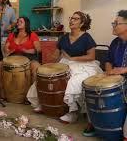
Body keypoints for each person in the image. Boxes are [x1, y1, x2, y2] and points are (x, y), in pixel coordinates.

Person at [27, 11, 102, 123]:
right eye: (71, 18)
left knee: (73, 82)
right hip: (65, 63)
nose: (71, 20)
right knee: (45, 77)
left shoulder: (87, 37)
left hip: (84, 65)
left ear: (82, 23)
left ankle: (73, 112)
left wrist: (73, 59)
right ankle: (45, 104)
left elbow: (91, 56)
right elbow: (56, 55)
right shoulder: (63, 37)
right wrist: (48, 66)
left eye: (75, 19)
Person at [82, 10, 127, 139]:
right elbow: (108, 61)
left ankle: (125, 134)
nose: (113, 25)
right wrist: (108, 72)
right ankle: (94, 123)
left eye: (116, 23)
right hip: (114, 77)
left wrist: (123, 70)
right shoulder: (115, 42)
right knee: (90, 88)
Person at [0, 17, 41, 99]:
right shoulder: (12, 35)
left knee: (36, 67)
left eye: (21, 21)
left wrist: (26, 50)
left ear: (26, 24)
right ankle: (2, 89)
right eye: (17, 21)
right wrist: (7, 50)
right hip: (13, 57)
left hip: (29, 58)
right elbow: (5, 48)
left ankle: (32, 94)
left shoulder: (32, 35)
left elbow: (38, 49)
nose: (18, 23)